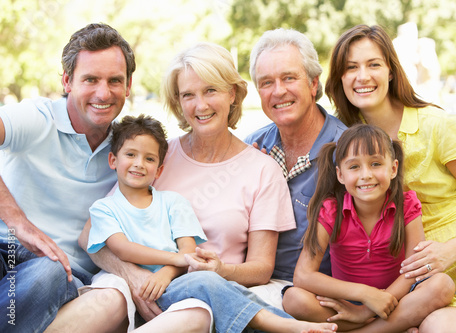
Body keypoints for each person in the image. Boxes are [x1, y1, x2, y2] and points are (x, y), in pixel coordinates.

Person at [79, 41, 337, 333]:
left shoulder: (263, 169)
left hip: (204, 292)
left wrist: (221, 270)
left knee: (196, 313)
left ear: (232, 93)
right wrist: (134, 277)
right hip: (135, 280)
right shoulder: (156, 157)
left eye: (210, 90)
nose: (200, 105)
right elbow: (91, 234)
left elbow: (262, 267)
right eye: (188, 95)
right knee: (108, 298)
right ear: (178, 101)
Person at [325, 24, 456, 333]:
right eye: (351, 67)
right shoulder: (347, 141)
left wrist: (451, 251)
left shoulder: (437, 126)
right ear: (340, 77)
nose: (362, 76)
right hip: (421, 276)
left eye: (373, 64)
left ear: (391, 72)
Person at [0, 23, 135, 332]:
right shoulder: (37, 118)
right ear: (67, 81)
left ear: (128, 86)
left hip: (57, 273)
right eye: (90, 79)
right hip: (5, 249)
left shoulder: (127, 150)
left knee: (51, 272)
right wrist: (18, 221)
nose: (103, 93)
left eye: (115, 81)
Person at [282, 124, 455, 332]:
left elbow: (414, 270)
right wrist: (365, 295)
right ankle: (387, 329)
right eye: (354, 167)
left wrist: (367, 311)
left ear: (393, 168)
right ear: (340, 175)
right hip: (346, 304)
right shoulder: (331, 209)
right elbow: (303, 276)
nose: (366, 175)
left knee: (442, 285)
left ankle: (364, 329)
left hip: (394, 301)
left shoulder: (406, 204)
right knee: (294, 299)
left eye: (375, 164)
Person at [244, 28, 347, 310]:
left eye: (289, 78)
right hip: (258, 287)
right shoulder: (251, 148)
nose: (278, 91)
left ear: (314, 84)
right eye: (266, 83)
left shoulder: (348, 149)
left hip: (320, 297)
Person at [86, 114, 208, 328]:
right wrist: (176, 258)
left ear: (159, 170)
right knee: (105, 298)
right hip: (120, 281)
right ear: (113, 160)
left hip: (170, 281)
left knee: (205, 289)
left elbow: (187, 252)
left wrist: (165, 273)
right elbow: (123, 249)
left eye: (149, 159)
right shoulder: (103, 208)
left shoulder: (174, 202)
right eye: (131, 154)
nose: (139, 164)